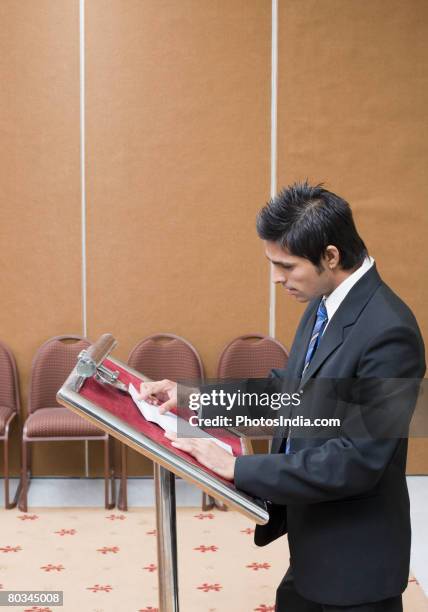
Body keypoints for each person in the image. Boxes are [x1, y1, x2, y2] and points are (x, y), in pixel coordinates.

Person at [139, 181, 425, 611]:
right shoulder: (325, 300)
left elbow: (356, 460)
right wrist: (190, 396)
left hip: (355, 558)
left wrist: (239, 467)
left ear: (331, 256)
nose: (277, 278)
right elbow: (286, 390)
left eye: (286, 266)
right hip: (315, 540)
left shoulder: (390, 332)